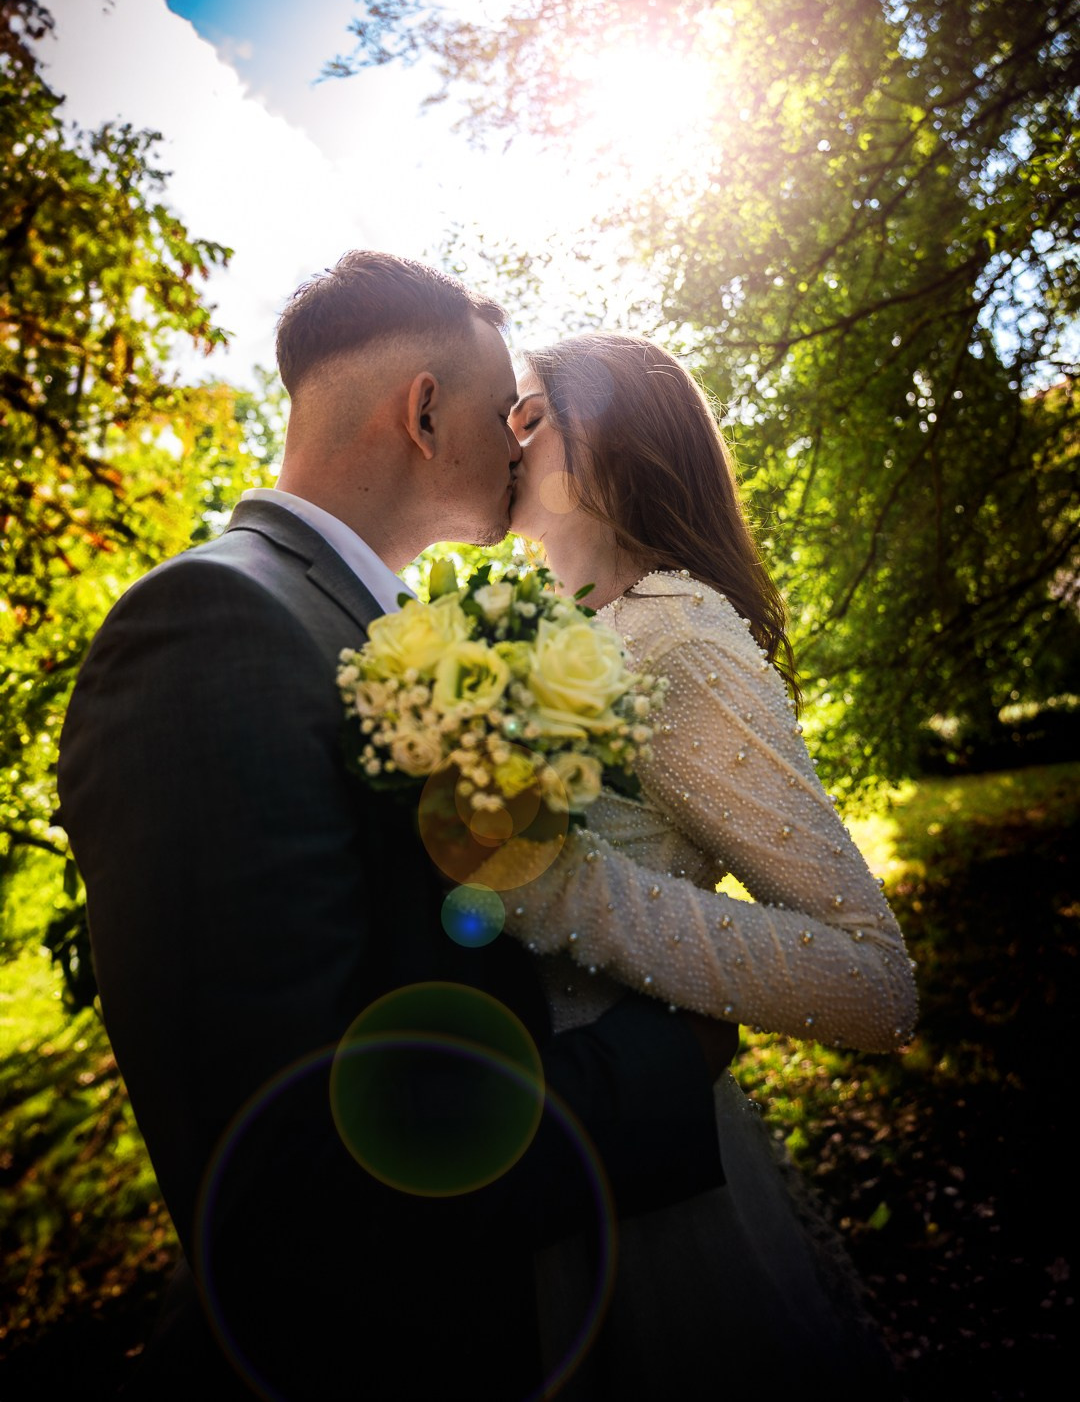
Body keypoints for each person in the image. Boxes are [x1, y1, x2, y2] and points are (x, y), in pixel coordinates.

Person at [55, 255, 740, 1402]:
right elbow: (291, 1170)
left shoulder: (372, 628)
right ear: (424, 414)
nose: (523, 443)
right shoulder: (209, 626)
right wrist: (666, 1060)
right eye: (503, 411)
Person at [480, 331, 918, 1397]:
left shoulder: (679, 637)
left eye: (531, 411)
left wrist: (570, 891)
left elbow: (874, 981)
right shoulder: (517, 629)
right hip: (504, 1140)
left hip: (634, 1188)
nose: (506, 435)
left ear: (615, 442)